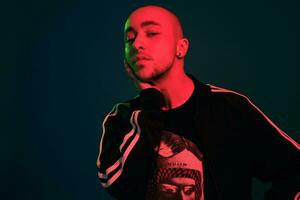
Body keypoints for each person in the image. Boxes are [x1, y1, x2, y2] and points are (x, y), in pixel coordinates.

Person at [96, 5, 300, 200]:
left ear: (181, 47)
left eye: (151, 33)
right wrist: (149, 102)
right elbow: (119, 185)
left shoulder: (228, 109)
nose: (137, 43)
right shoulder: (122, 118)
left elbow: (294, 169)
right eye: (129, 38)